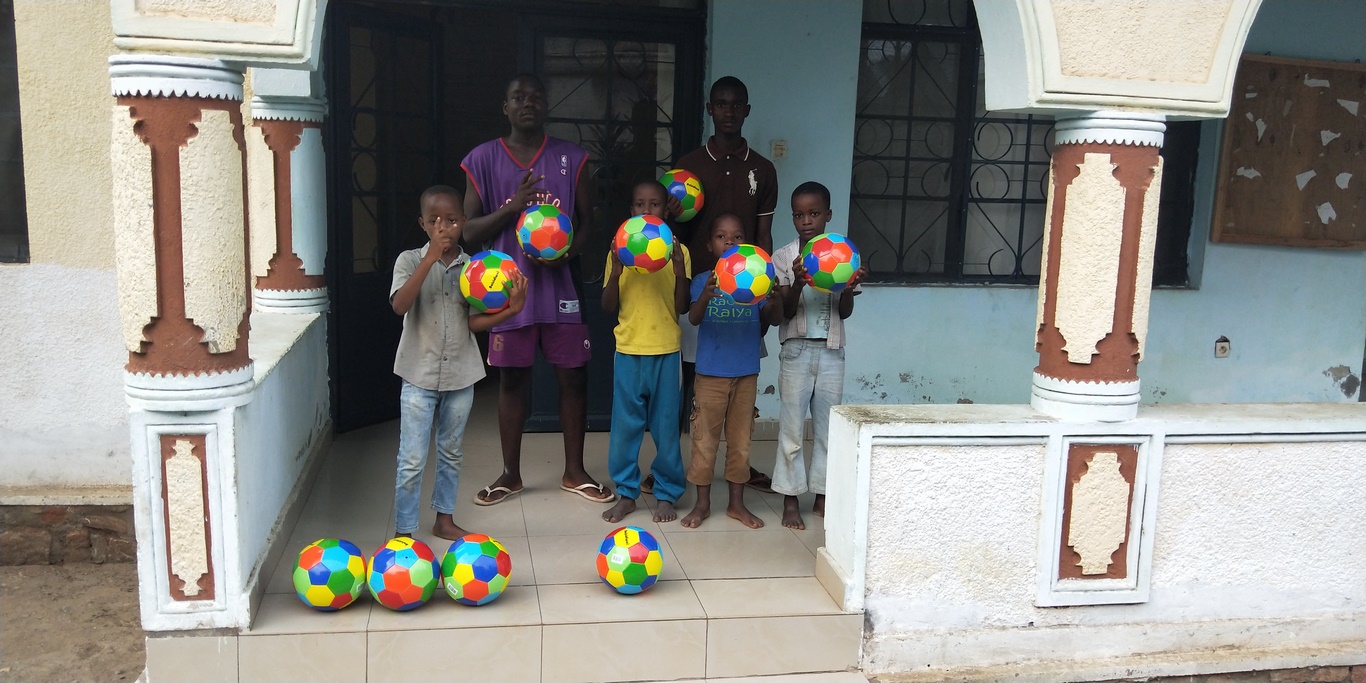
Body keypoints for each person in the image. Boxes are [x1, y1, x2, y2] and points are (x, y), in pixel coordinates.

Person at [460, 73, 615, 506]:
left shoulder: (572, 158)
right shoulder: (482, 159)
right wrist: (512, 207)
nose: (527, 104)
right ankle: (510, 475)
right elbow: (468, 232)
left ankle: (574, 472)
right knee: (512, 380)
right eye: (518, 98)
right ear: (505, 107)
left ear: (546, 105)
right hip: (507, 295)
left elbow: (588, 223)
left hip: (560, 289)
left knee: (574, 378)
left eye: (535, 97)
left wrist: (567, 254)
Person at [649, 74, 778, 494]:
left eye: (736, 104)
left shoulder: (763, 169)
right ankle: (670, 469)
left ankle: (739, 468)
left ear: (747, 110)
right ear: (709, 109)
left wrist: (765, 287)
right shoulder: (687, 167)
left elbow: (763, 235)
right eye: (720, 104)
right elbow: (668, 235)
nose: (728, 111)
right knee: (689, 384)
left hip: (745, 294)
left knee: (739, 385)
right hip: (699, 289)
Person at [389, 185, 528, 540]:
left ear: (464, 222)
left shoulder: (474, 269)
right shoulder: (409, 260)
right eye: (434, 220)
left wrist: (511, 310)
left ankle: (444, 519)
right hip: (418, 375)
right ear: (422, 224)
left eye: (451, 220)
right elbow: (400, 305)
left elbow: (472, 322)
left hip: (460, 376)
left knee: (451, 452)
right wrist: (430, 259)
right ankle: (404, 532)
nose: (443, 227)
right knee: (411, 460)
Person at [771, 181, 866, 530]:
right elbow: (785, 312)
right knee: (791, 429)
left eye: (813, 213)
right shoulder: (783, 258)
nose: (806, 221)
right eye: (799, 215)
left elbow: (845, 312)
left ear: (828, 214)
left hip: (831, 352)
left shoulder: (844, 254)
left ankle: (823, 493)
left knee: (828, 429)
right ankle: (790, 497)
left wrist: (848, 288)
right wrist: (797, 282)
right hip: (796, 351)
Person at [679, 214, 782, 529]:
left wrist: (774, 298)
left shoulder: (757, 279)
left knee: (741, 441)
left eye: (737, 237)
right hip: (710, 374)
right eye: (721, 237)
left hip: (746, 373)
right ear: (710, 245)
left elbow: (774, 319)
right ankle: (702, 504)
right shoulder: (702, 281)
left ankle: (737, 504)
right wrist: (706, 296)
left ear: (746, 244)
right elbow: (693, 318)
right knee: (704, 439)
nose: (729, 242)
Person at [600, 181, 691, 524]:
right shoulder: (618, 251)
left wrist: (680, 271)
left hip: (666, 351)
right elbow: (607, 306)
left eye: (654, 204)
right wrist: (616, 270)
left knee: (666, 428)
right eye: (640, 204)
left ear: (666, 210)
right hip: (629, 350)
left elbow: (682, 306)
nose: (646, 210)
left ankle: (666, 493)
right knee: (625, 427)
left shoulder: (679, 251)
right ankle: (626, 493)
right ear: (631, 210)